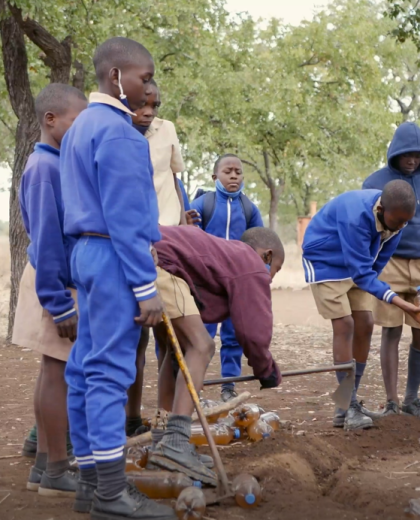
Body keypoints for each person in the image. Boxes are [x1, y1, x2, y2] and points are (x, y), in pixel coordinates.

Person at [59, 37, 176, 519]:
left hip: (86, 254)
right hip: (113, 256)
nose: (150, 86)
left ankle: (91, 483)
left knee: (84, 369)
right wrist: (146, 288)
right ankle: (111, 495)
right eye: (145, 77)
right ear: (116, 78)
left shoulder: (80, 126)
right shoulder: (122, 134)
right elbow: (127, 219)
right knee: (110, 373)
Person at [12, 84, 87, 497]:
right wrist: (59, 305)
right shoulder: (45, 170)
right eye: (76, 122)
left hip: (51, 279)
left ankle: (44, 463)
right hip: (53, 282)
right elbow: (45, 240)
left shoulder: (55, 163)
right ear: (50, 120)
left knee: (52, 371)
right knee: (59, 374)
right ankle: (58, 468)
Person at [301, 180, 420, 431]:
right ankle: (349, 405)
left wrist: (376, 286)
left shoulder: (397, 219)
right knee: (345, 324)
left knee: (366, 322)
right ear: (381, 210)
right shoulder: (355, 218)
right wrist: (397, 301)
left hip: (358, 265)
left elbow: (377, 263)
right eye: (398, 221)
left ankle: (346, 403)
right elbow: (361, 272)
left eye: (405, 222)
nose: (401, 226)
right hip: (325, 259)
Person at [152, 225, 284, 419]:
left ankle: (162, 430)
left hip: (145, 251)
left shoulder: (224, 255)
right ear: (267, 256)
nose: (270, 278)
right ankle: (176, 440)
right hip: (161, 262)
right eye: (275, 269)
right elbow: (252, 333)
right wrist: (267, 370)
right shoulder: (251, 264)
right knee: (201, 346)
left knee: (175, 351)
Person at [126, 78, 196, 438]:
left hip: (169, 242)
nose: (149, 112)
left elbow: (173, 177)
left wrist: (185, 217)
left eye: (155, 106)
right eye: (142, 105)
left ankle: (166, 420)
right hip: (135, 241)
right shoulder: (118, 133)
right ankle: (132, 418)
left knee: (172, 339)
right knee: (135, 337)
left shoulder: (165, 130)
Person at [362, 122, 420, 422]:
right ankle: (392, 401)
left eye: (418, 155)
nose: (412, 160)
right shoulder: (374, 182)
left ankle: (412, 398)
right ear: (395, 152)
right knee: (391, 330)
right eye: (407, 154)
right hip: (389, 263)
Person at [190, 154, 264, 402]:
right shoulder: (202, 204)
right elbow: (189, 237)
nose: (234, 176)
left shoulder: (249, 208)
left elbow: (261, 243)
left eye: (238, 172)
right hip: (207, 284)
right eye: (228, 171)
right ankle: (194, 386)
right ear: (215, 177)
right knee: (202, 336)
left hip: (236, 283)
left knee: (233, 336)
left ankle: (228, 387)